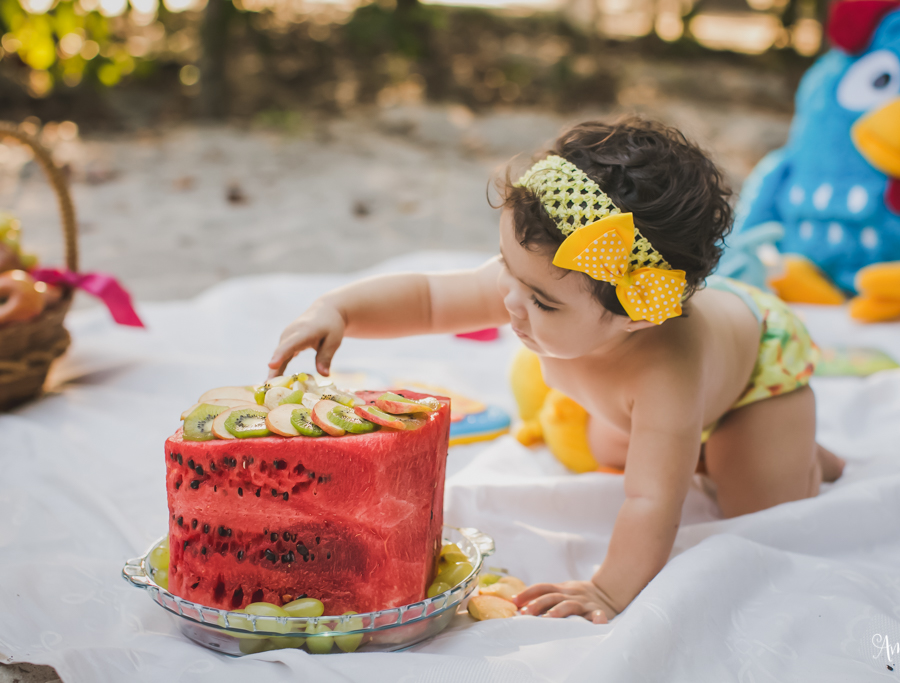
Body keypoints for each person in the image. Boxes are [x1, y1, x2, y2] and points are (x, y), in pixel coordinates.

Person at [267, 117, 845, 624]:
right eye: (507, 269)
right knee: (609, 448)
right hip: (639, 398)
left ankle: (801, 452)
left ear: (637, 321)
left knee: (756, 506)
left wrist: (609, 588)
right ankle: (731, 446)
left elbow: (651, 503)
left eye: (541, 302)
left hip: (756, 375)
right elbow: (428, 299)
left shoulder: (666, 372)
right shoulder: (539, 280)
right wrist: (338, 309)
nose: (510, 302)